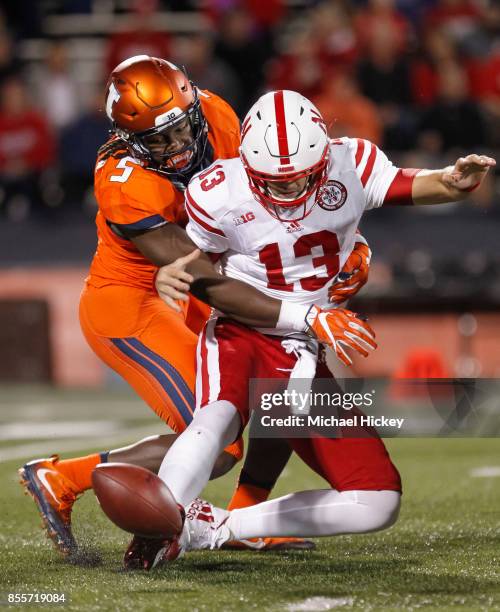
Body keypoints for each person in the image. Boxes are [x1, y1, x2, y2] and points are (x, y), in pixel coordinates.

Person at [18, 57, 370, 557]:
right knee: (220, 442)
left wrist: (349, 243)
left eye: (181, 130)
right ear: (126, 138)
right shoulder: (124, 182)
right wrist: (300, 305)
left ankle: (250, 518)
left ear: (194, 107)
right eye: (156, 142)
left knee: (279, 388)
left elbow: (282, 194)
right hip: (138, 301)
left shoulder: (220, 116)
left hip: (202, 284)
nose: (177, 147)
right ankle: (65, 477)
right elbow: (197, 272)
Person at [133, 89, 494, 569]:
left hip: (303, 349)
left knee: (378, 499)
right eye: (274, 182)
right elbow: (198, 268)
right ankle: (163, 522)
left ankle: (214, 527)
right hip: (245, 328)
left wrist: (450, 181)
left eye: (302, 178)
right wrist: (171, 271)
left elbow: (418, 185)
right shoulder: (218, 189)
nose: (288, 192)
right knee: (218, 418)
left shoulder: (353, 162)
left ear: (326, 154)